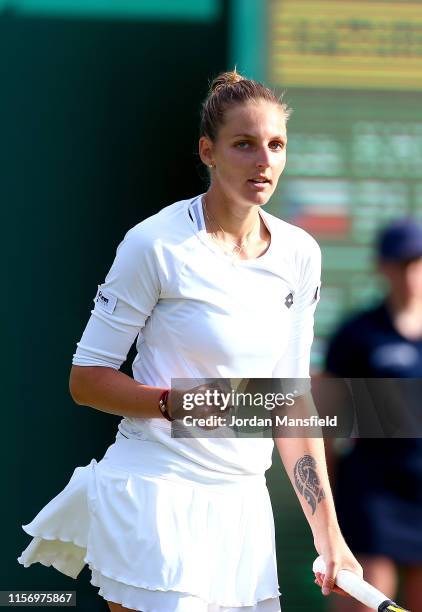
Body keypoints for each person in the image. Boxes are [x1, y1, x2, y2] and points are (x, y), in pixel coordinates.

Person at [18, 70, 361, 612]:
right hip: (158, 491)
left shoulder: (300, 255)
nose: (263, 160)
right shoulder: (153, 244)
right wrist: (174, 404)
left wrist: (329, 537)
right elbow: (86, 381)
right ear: (209, 151)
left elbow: (289, 403)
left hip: (244, 509)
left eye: (275, 145)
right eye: (244, 144)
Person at [325, 220, 422, 612]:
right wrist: (326, 501)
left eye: (418, 261)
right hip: (373, 493)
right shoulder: (357, 334)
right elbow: (323, 422)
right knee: (365, 599)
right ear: (383, 267)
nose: (411, 273)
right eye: (402, 263)